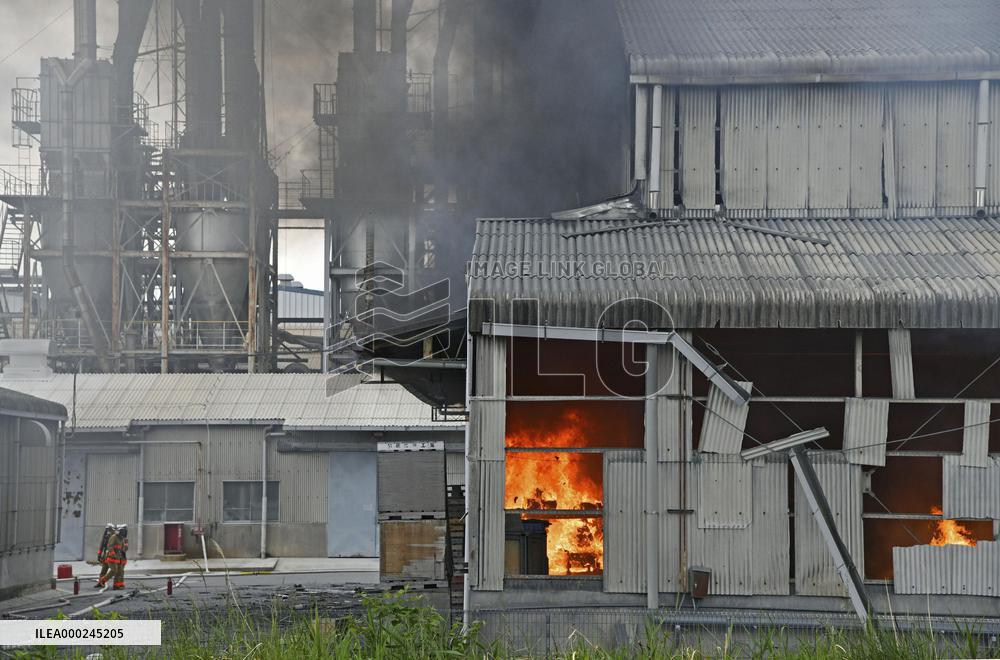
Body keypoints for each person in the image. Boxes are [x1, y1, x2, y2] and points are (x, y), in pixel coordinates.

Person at [98, 525, 127, 590]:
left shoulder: (122, 538)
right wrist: (113, 555)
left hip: (118, 558)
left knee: (119, 572)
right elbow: (109, 546)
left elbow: (122, 549)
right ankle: (103, 580)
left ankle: (116, 585)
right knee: (113, 570)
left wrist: (122, 557)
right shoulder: (114, 537)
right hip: (111, 558)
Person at [94, 523, 114, 588]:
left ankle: (103, 581)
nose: (108, 531)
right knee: (103, 571)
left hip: (111, 557)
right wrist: (99, 555)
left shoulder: (114, 537)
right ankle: (100, 583)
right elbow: (102, 545)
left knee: (114, 570)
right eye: (107, 530)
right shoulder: (105, 536)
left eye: (109, 530)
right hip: (105, 556)